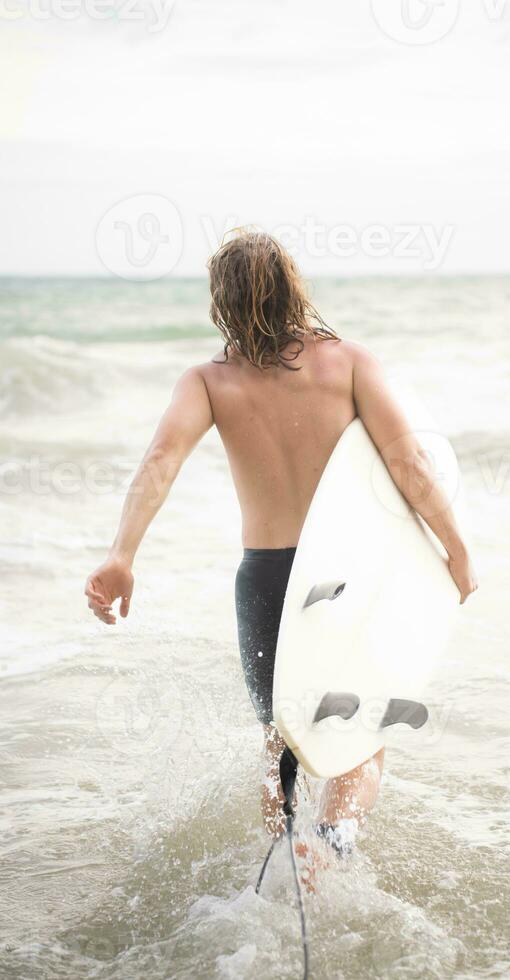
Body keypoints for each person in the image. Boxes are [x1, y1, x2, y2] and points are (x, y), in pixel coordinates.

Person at [85, 230, 478, 873]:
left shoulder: (209, 382)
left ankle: (281, 863)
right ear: (294, 287)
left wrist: (121, 555)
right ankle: (333, 842)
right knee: (360, 731)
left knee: (283, 735)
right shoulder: (347, 362)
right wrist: (455, 546)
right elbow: (408, 459)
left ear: (221, 302)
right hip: (348, 573)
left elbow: (161, 461)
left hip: (267, 576)